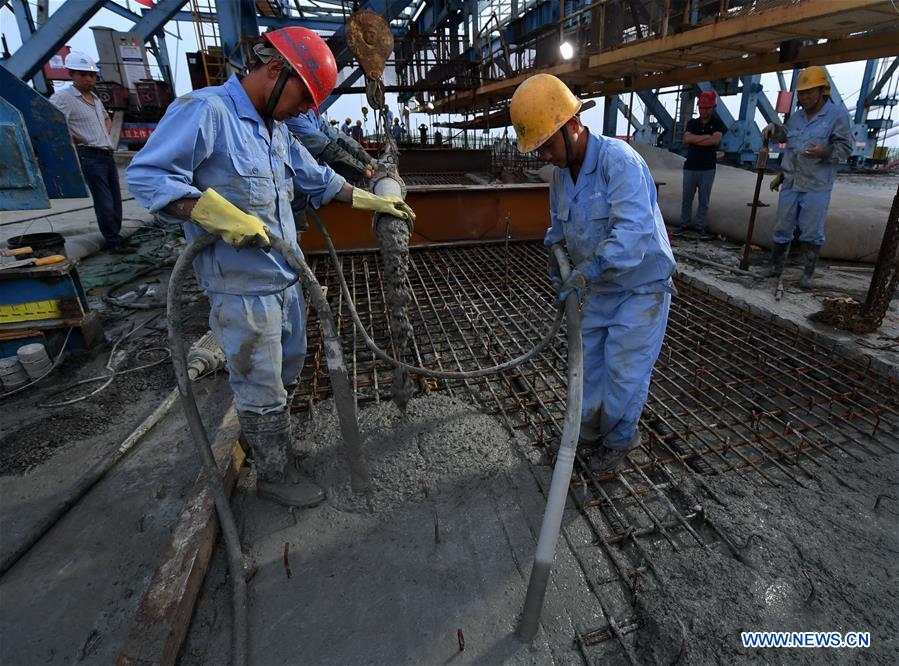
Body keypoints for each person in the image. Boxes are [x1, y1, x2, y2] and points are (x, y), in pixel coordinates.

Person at [126, 27, 414, 509]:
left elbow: (320, 179)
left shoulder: (276, 130)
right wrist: (211, 213)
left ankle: (275, 446)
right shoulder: (207, 112)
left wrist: (370, 200)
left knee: (286, 371)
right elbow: (149, 174)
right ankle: (273, 475)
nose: (306, 111)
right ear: (275, 69)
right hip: (242, 290)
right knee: (259, 383)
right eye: (304, 97)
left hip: (285, 279)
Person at [510, 74, 676, 475]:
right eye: (539, 149)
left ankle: (619, 441)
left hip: (640, 290)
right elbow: (559, 230)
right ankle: (584, 433)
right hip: (599, 290)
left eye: (547, 145)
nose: (545, 156)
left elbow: (632, 234)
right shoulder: (561, 178)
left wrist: (587, 270)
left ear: (572, 126)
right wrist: (556, 255)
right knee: (588, 370)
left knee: (624, 373)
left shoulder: (618, 162)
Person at [760, 65, 852, 288]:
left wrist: (825, 152)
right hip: (791, 181)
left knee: (811, 231)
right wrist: (775, 129)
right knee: (782, 226)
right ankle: (775, 267)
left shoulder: (837, 116)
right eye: (801, 93)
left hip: (816, 184)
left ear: (823, 91)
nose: (805, 97)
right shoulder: (798, 117)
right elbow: (787, 138)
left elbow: (846, 150)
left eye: (810, 92)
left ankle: (807, 274)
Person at [50, 51, 131, 253]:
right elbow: (51, 122)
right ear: (71, 74)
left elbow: (106, 118)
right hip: (89, 155)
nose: (88, 79)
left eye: (92, 75)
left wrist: (105, 135)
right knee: (103, 200)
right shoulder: (63, 98)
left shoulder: (95, 99)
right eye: (83, 74)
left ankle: (117, 236)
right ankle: (112, 242)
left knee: (115, 198)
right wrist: (78, 139)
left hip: (106, 153)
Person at [285, 108, 375, 232]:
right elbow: (325, 148)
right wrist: (362, 170)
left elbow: (338, 138)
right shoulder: (292, 118)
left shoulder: (311, 113)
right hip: (288, 202)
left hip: (299, 198)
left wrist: (368, 160)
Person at [679, 90, 726, 235]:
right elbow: (687, 139)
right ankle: (684, 224)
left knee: (703, 200)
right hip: (690, 166)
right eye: (701, 108)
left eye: (706, 108)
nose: (703, 110)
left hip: (707, 168)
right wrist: (706, 138)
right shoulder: (692, 123)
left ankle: (700, 226)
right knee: (686, 197)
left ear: (712, 108)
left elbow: (715, 140)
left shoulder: (718, 124)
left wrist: (696, 138)